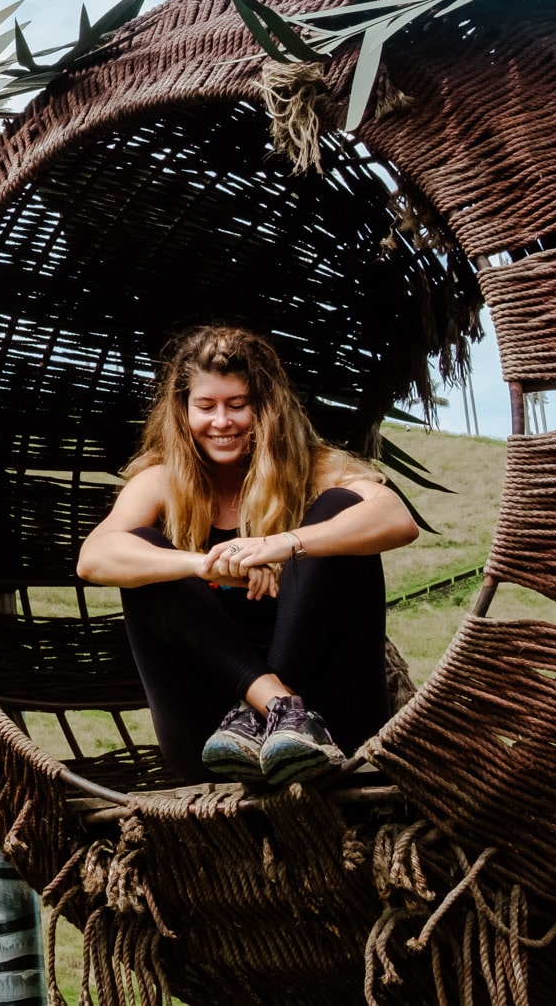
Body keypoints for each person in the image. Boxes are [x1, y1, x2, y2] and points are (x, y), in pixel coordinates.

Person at [76, 325, 419, 786]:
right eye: (206, 406)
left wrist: (284, 543)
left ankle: (287, 714)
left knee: (339, 510)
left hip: (328, 726)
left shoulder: (313, 467)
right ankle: (276, 705)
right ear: (182, 411)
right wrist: (200, 564)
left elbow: (396, 518)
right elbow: (93, 557)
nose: (222, 421)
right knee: (144, 556)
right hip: (216, 738)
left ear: (265, 408)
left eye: (238, 405)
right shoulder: (160, 482)